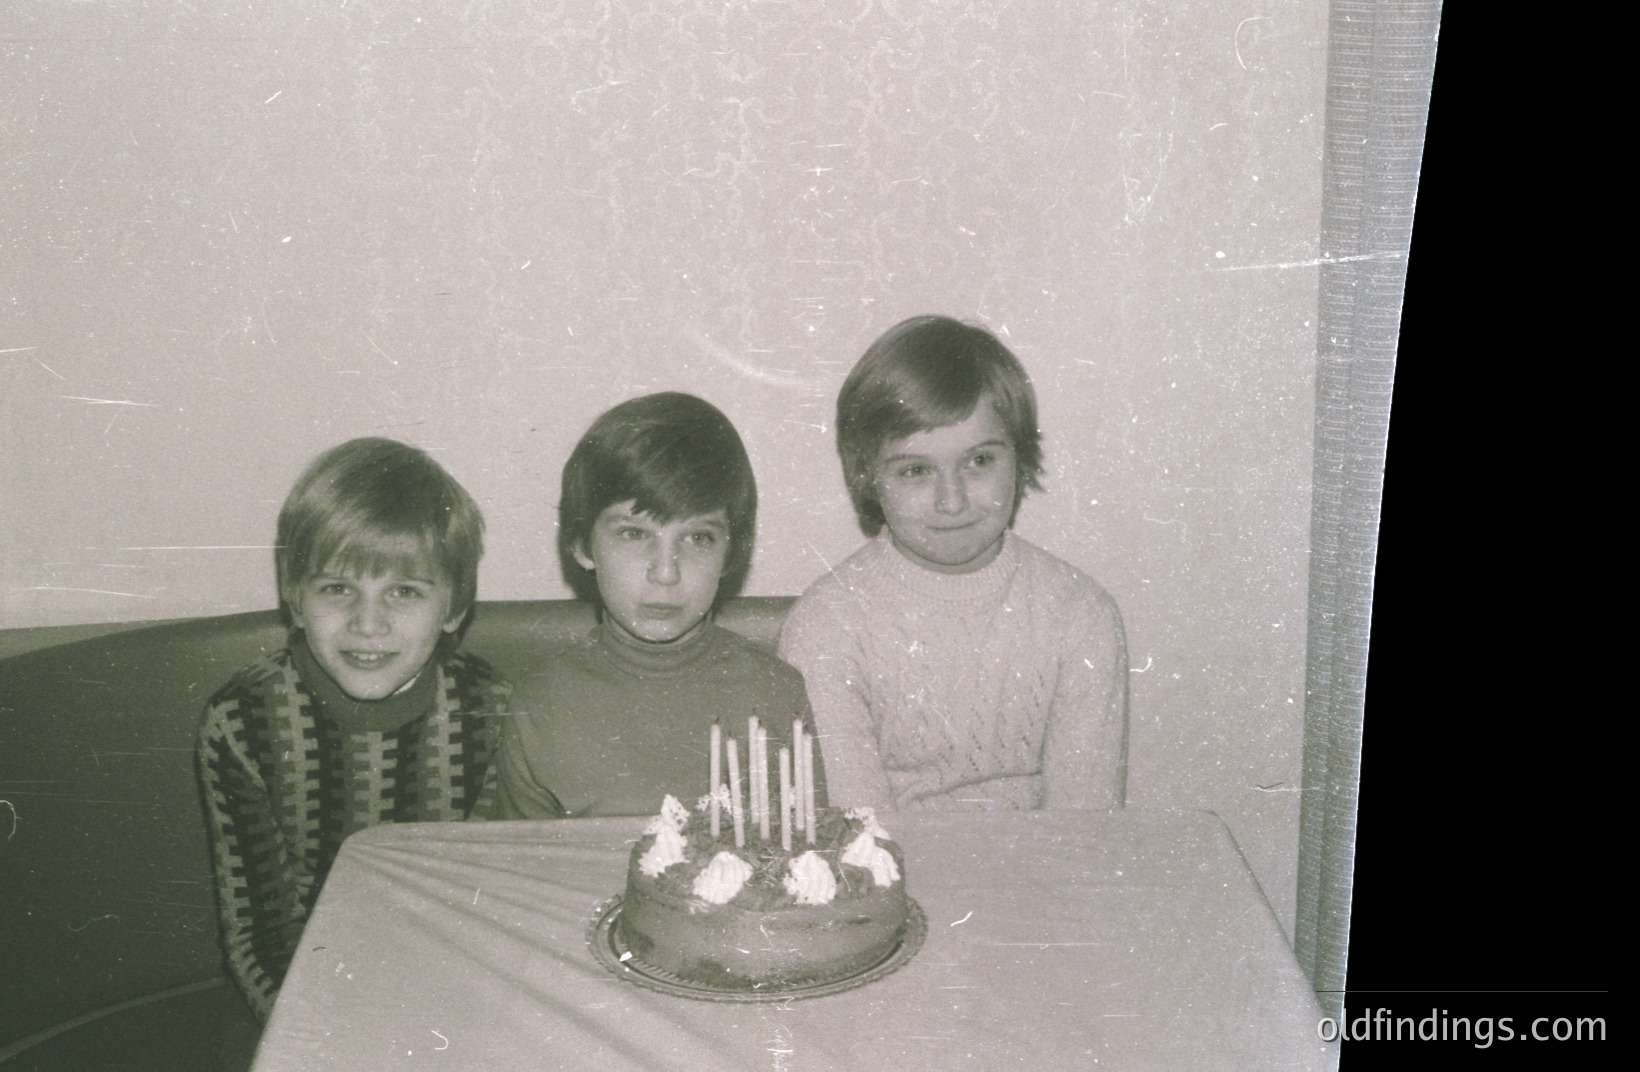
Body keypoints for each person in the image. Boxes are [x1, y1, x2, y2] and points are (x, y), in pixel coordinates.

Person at [197, 438, 510, 1023]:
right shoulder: (242, 722)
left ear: (454, 608)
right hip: (301, 1006)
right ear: (295, 597)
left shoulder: (489, 710)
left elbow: (488, 908)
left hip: (449, 998)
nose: (368, 624)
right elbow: (259, 935)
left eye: (404, 591)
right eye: (338, 588)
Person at [778, 315, 1128, 812]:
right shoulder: (828, 626)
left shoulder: (1080, 614)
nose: (952, 501)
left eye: (979, 461)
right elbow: (856, 840)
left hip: (1043, 879)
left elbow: (1084, 827)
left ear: (1020, 458)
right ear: (868, 477)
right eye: (916, 470)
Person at [491, 392, 822, 819]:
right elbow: (521, 872)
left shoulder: (776, 692)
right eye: (633, 534)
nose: (666, 572)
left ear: (731, 553)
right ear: (581, 544)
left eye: (698, 537)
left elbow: (804, 861)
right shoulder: (540, 704)